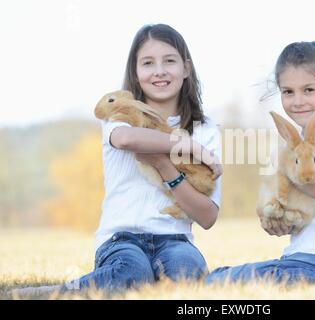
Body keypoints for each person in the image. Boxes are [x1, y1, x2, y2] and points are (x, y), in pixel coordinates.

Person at [12, 24, 222, 296]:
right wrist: (187, 144)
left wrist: (164, 165)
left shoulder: (205, 129)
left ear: (186, 68)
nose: (159, 70)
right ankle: (62, 291)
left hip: (175, 240)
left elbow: (207, 217)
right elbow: (126, 140)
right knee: (132, 272)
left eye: (169, 61)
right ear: (135, 72)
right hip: (121, 239)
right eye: (148, 63)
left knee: (188, 275)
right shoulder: (119, 116)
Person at [206, 41, 315, 286]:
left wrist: (281, 174)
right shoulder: (300, 140)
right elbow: (305, 207)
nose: (297, 101)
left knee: (223, 279)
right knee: (220, 276)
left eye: (309, 90)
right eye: (288, 92)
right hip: (307, 257)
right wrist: (279, 219)